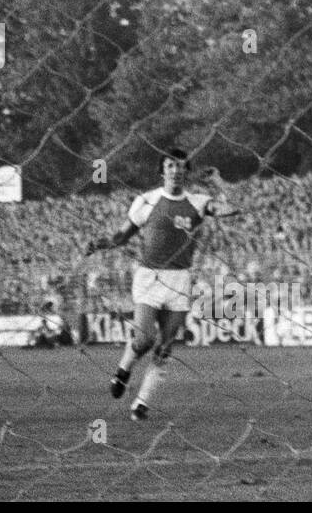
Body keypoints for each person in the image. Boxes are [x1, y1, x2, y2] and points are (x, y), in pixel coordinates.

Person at [85, 149, 239, 421]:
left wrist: (219, 182)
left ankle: (142, 403)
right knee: (143, 339)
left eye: (181, 166)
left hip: (180, 279)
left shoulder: (199, 202)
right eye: (170, 165)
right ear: (162, 170)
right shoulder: (146, 201)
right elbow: (122, 236)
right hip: (149, 277)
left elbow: (231, 209)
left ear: (186, 171)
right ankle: (124, 369)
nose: (175, 170)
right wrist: (100, 244)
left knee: (165, 346)